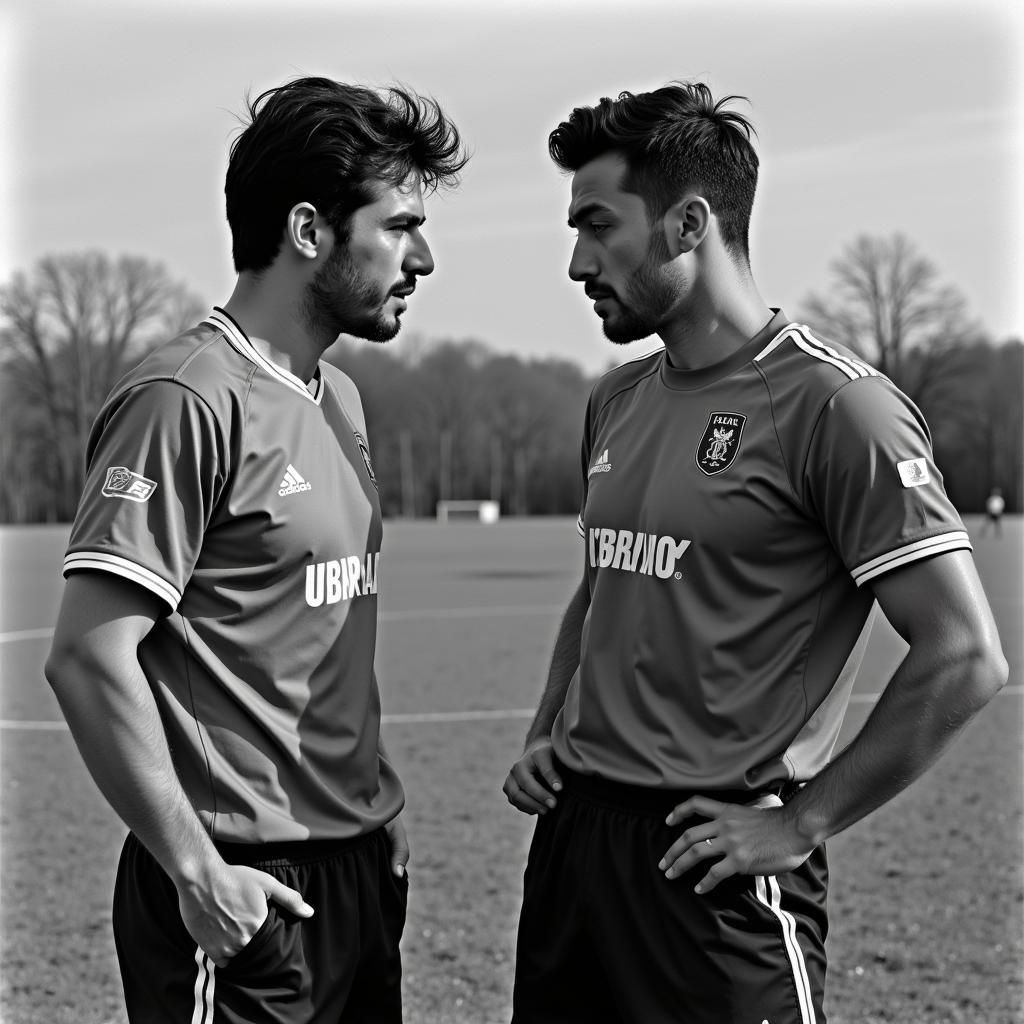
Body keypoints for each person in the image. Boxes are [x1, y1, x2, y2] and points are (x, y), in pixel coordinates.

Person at [503, 82, 1007, 1024]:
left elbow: (966, 656)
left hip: (714, 868)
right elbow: (602, 585)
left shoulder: (837, 407)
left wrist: (803, 823)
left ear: (690, 222)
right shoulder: (616, 399)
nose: (576, 261)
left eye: (598, 225)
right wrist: (545, 728)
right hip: (575, 848)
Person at [45, 76, 466, 1023]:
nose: (424, 257)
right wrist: (198, 870)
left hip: (356, 870)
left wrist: (375, 810)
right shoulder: (186, 399)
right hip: (240, 886)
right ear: (309, 231)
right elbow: (86, 655)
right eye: (399, 226)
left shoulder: (340, 400)